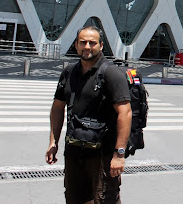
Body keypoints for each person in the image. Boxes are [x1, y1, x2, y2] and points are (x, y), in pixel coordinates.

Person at [46, 26, 132, 203]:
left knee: (103, 199)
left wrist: (119, 154)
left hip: (103, 155)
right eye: (82, 42)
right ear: (76, 45)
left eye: (92, 43)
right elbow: (57, 107)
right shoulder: (69, 72)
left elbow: (125, 113)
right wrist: (53, 142)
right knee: (74, 198)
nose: (87, 46)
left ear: (101, 46)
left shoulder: (111, 74)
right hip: (74, 151)